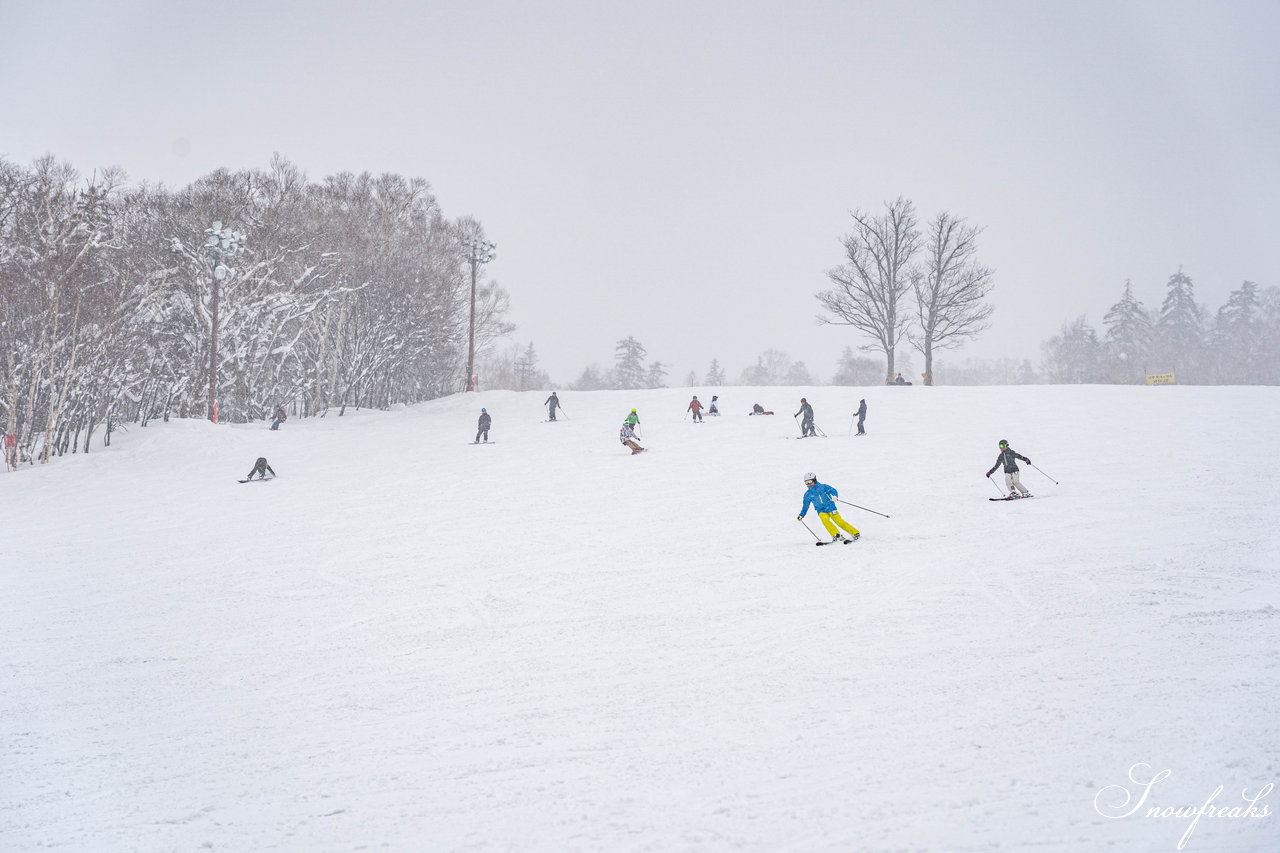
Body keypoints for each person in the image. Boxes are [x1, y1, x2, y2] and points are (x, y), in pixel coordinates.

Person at [797, 472, 860, 543]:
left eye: (810, 481)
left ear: (814, 480)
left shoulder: (823, 487)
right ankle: (836, 535)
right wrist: (801, 515)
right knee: (825, 520)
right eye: (806, 482)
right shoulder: (808, 494)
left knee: (839, 521)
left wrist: (835, 496)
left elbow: (833, 490)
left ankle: (855, 533)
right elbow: (805, 505)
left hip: (831, 507)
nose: (808, 484)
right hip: (821, 511)